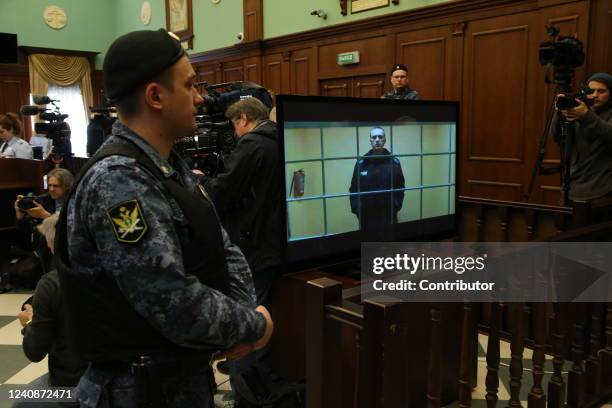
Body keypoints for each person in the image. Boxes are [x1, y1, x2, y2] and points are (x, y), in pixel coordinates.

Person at [55, 29, 273, 408]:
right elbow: (169, 299)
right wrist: (254, 326)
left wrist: (242, 316)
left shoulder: (168, 165)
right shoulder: (120, 181)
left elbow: (222, 246)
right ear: (156, 96)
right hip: (138, 391)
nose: (200, 98)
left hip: (179, 382)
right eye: (189, 85)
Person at [200, 97, 281, 376]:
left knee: (250, 315)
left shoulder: (252, 144)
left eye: (234, 126)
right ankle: (255, 380)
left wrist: (199, 180)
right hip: (274, 239)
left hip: (253, 243)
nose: (234, 134)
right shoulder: (278, 139)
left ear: (243, 118)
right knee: (265, 309)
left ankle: (246, 385)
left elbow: (223, 192)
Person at [15, 213, 86, 408]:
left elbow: (35, 352)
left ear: (50, 244)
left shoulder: (51, 284)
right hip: (120, 378)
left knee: (20, 403)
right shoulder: (112, 274)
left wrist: (29, 322)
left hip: (72, 384)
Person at [550, 72, 612, 207]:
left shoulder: (592, 113)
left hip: (601, 190)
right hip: (572, 187)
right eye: (591, 91)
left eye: (601, 91)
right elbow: (556, 137)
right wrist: (559, 112)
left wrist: (586, 116)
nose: (595, 95)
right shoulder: (577, 111)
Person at [349, 127, 405, 240]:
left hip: (388, 216)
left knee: (389, 249)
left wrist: (395, 206)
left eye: (380, 137)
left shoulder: (394, 162)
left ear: (385, 140)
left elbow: (400, 187)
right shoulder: (361, 163)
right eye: (374, 137)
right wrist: (358, 210)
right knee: (369, 249)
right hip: (367, 218)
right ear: (370, 140)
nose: (377, 139)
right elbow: (354, 189)